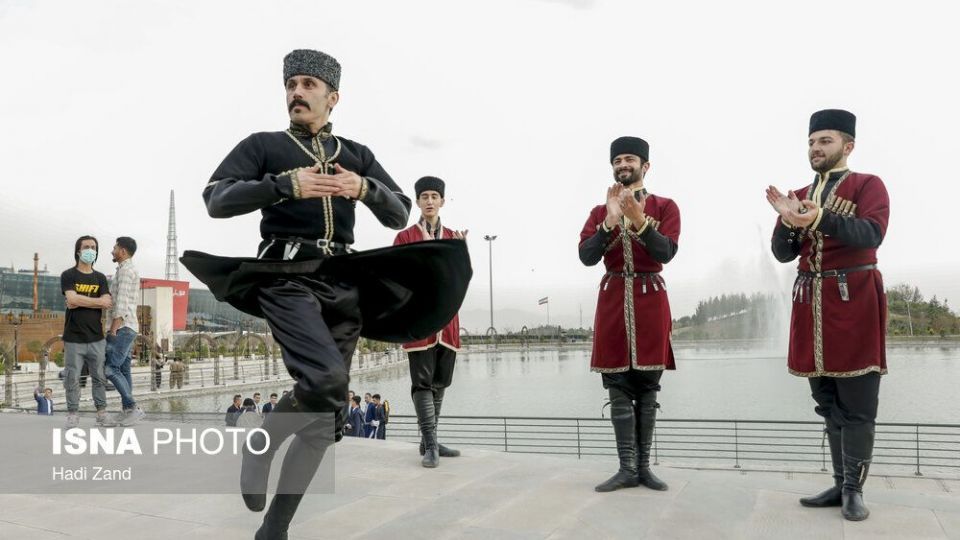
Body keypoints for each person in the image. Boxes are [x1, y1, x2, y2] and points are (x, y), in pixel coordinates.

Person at [179, 48, 471, 539]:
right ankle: (262, 443)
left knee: (326, 421)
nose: (297, 92)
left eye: (309, 84)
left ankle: (274, 530)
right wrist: (283, 185)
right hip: (285, 275)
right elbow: (216, 198)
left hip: (343, 282)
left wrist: (364, 189)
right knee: (327, 382)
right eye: (291, 85)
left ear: (332, 97)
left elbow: (398, 211)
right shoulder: (264, 145)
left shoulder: (356, 154)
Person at [767, 109, 889, 522]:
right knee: (826, 402)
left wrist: (818, 217)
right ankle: (839, 484)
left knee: (858, 405)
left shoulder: (868, 185)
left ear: (847, 145)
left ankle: (854, 490)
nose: (815, 148)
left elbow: (872, 233)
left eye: (825, 141)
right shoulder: (800, 192)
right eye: (811, 142)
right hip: (810, 306)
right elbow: (782, 253)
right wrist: (788, 222)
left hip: (853, 301)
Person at [579, 137, 680, 493]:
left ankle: (643, 468)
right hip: (612, 301)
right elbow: (586, 256)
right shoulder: (598, 212)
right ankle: (626, 468)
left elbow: (665, 252)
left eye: (630, 159)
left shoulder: (665, 207)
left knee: (648, 386)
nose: (623, 165)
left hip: (651, 300)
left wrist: (638, 220)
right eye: (617, 160)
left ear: (645, 166)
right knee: (617, 385)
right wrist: (609, 222)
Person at [394, 176, 466, 467]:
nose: (429, 201)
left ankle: (429, 440)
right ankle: (432, 445)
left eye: (434, 196)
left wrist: (461, 254)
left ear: (442, 201)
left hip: (448, 321)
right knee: (422, 383)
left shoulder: (453, 237)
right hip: (419, 319)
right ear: (418, 201)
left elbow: (461, 280)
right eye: (424, 196)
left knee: (440, 382)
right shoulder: (405, 238)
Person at [60, 235, 116, 428]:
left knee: (99, 378)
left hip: (96, 338)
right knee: (72, 378)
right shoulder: (68, 275)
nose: (90, 250)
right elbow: (71, 299)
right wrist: (96, 301)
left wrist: (79, 300)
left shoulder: (100, 278)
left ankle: (102, 413)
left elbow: (107, 302)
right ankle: (73, 414)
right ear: (78, 251)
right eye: (86, 247)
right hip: (73, 337)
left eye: (93, 247)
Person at [104, 236, 144, 426]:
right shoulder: (124, 270)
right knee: (124, 369)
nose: (112, 251)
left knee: (110, 368)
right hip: (128, 326)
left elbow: (121, 302)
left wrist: (113, 330)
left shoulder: (126, 271)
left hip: (123, 327)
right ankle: (128, 410)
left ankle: (133, 407)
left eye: (115, 248)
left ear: (123, 251)